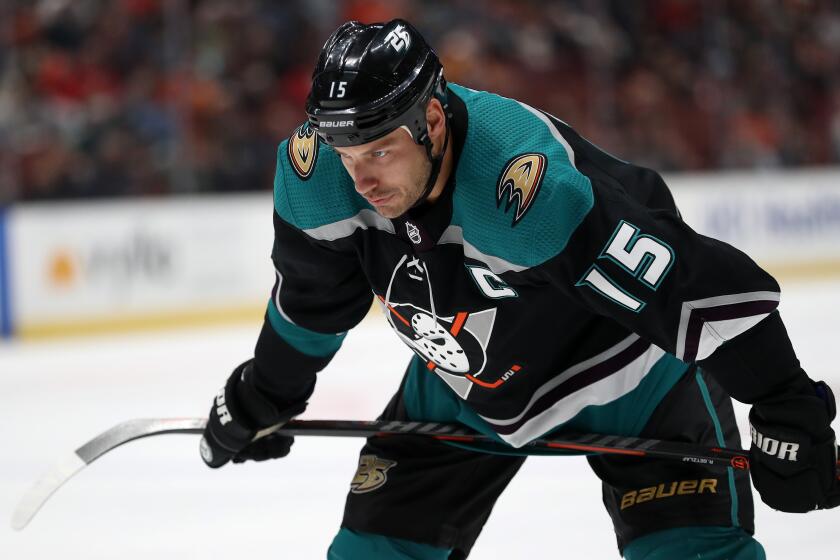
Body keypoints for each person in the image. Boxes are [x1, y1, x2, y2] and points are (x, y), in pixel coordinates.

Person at [198, 19, 839, 559]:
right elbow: (313, 304)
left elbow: (693, 289)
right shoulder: (318, 180)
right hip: (463, 387)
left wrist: (787, 407)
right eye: (347, 153)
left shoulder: (522, 194)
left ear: (432, 121)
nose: (361, 179)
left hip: (632, 382)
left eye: (381, 151)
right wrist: (267, 393)